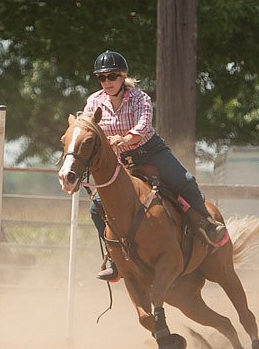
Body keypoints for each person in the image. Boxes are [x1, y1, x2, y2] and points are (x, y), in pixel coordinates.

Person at [84, 50, 228, 281]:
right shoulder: (93, 101)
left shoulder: (141, 98)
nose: (107, 82)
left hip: (151, 153)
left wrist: (125, 139)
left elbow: (142, 126)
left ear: (123, 76)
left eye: (112, 76)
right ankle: (115, 258)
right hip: (122, 162)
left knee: (186, 181)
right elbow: (90, 127)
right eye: (101, 77)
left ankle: (208, 225)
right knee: (95, 209)